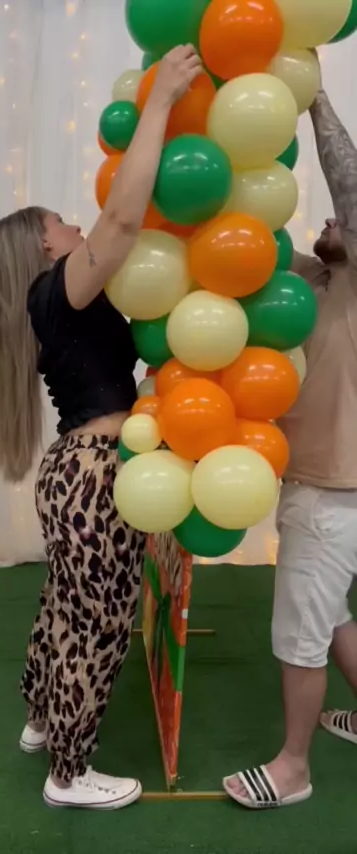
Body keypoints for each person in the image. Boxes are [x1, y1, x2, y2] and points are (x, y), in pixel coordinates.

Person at [0, 45, 203, 810]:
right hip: (93, 478)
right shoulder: (57, 290)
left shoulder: (55, 300)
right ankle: (69, 774)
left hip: (77, 473)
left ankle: (44, 719)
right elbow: (124, 218)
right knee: (97, 623)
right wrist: (161, 101)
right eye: (62, 221)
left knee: (64, 607)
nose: (77, 223)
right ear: (44, 246)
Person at [224, 62, 357, 810]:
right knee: (332, 615)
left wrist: (314, 100)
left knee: (302, 630)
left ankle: (293, 768)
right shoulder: (318, 284)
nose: (328, 223)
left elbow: (352, 194)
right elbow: (253, 252)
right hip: (322, 485)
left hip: (332, 493)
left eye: (339, 224)